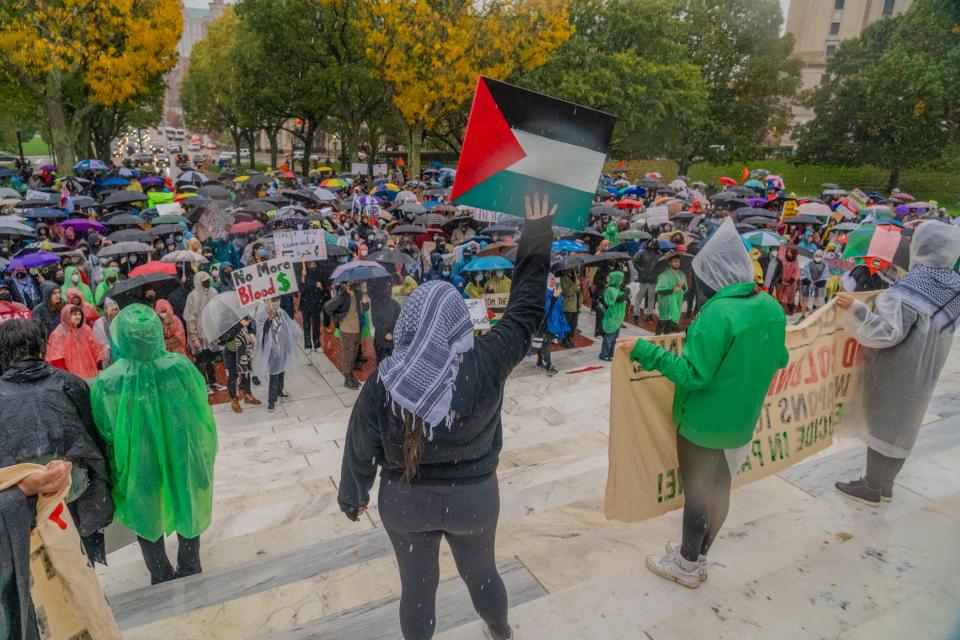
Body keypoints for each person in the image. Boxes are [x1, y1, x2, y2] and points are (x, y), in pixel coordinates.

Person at [338, 192, 555, 640]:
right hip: (473, 498)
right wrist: (537, 231)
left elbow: (361, 445)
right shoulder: (488, 359)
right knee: (483, 577)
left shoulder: (385, 381)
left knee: (417, 591)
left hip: (405, 502)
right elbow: (527, 310)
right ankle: (501, 632)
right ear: (460, 324)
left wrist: (352, 496)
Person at [630, 219, 788, 588]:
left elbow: (693, 375)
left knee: (698, 494)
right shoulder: (770, 306)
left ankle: (684, 565)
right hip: (742, 420)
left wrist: (646, 353)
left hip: (703, 424)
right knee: (721, 489)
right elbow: (779, 358)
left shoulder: (716, 315)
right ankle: (699, 554)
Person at [90, 304, 218, 585]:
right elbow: (200, 410)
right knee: (187, 499)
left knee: (144, 508)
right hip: (181, 448)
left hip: (137, 455)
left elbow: (103, 427)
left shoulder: (108, 381)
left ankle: (160, 572)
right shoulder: (179, 367)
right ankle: (189, 563)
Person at [834, 221, 960, 505]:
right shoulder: (954, 285)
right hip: (926, 372)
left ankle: (871, 486)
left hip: (896, 369)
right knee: (905, 425)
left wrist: (857, 311)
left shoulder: (913, 284)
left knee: (883, 424)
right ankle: (886, 484)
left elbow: (888, 333)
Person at [0, 318, 114, 565]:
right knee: (80, 563)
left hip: (22, 500)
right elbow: (91, 437)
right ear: (41, 345)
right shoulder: (69, 383)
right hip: (72, 488)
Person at [254, 303, 300, 413]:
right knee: (274, 374)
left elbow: (289, 326)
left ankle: (280, 390)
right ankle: (271, 401)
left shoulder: (281, 312)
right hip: (272, 350)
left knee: (282, 371)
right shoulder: (262, 315)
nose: (274, 303)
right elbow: (262, 332)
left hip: (283, 347)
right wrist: (269, 319)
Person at [184, 271, 224, 393]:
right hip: (199, 333)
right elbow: (190, 317)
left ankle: (213, 381)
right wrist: (194, 336)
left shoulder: (213, 292)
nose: (207, 282)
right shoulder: (193, 296)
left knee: (211, 358)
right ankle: (204, 383)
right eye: (204, 281)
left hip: (211, 332)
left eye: (208, 279)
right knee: (201, 360)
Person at [325, 281, 369, 390]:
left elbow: (365, 309)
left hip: (357, 328)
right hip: (346, 329)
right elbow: (327, 306)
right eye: (352, 281)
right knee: (347, 354)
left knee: (354, 353)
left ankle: (350, 375)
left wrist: (365, 302)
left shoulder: (358, 294)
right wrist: (337, 317)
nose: (355, 283)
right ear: (347, 284)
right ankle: (347, 377)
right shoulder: (342, 296)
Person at [46, 304, 104, 379]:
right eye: (74, 314)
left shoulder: (86, 330)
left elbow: (96, 350)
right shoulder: (59, 334)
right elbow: (57, 359)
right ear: (66, 315)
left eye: (79, 314)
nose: (78, 317)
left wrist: (100, 368)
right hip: (72, 376)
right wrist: (66, 377)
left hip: (91, 371)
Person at [221, 314, 260, 413]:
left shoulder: (242, 312)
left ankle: (248, 394)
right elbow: (225, 336)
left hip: (245, 348)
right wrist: (240, 324)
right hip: (232, 350)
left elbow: (251, 324)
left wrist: (252, 332)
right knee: (233, 376)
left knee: (246, 372)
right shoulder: (224, 317)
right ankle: (234, 399)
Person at [537, 274, 569, 375]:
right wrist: (554, 298)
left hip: (554, 322)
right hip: (546, 323)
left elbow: (559, 306)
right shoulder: (544, 292)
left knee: (544, 343)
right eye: (552, 279)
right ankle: (548, 366)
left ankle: (540, 361)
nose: (554, 280)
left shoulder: (555, 290)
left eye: (554, 278)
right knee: (545, 344)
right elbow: (546, 308)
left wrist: (559, 297)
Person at [599, 270, 628, 361]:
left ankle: (611, 353)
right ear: (616, 279)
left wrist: (624, 291)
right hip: (611, 317)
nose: (622, 281)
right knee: (609, 337)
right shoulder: (609, 289)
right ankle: (604, 354)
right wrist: (626, 293)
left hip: (617, 318)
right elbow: (618, 299)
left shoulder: (617, 288)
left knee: (615, 338)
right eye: (621, 279)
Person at [655, 254, 686, 334]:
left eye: (678, 262)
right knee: (661, 323)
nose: (677, 263)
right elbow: (659, 291)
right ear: (670, 263)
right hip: (665, 304)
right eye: (675, 261)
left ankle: (666, 343)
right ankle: (656, 341)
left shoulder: (681, 275)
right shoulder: (664, 276)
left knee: (669, 326)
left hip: (676, 304)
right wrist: (673, 290)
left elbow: (685, 289)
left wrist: (683, 285)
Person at [632, 240, 661, 323]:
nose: (652, 245)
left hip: (653, 280)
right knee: (639, 297)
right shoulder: (642, 253)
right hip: (643, 279)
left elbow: (661, 266)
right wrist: (640, 269)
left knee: (651, 299)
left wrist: (657, 274)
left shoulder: (659, 255)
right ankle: (636, 315)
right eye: (651, 244)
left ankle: (649, 314)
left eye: (654, 244)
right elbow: (634, 261)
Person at [92, 298, 120, 367]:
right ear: (106, 311)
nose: (114, 312)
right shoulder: (99, 324)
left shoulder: (121, 320)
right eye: (112, 310)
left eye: (116, 310)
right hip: (108, 356)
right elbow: (101, 344)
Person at [800, 250, 829, 315]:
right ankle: (803, 315)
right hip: (807, 285)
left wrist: (821, 282)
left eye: (820, 256)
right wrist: (806, 280)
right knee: (804, 301)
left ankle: (817, 317)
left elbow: (826, 276)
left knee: (819, 302)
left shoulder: (825, 265)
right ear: (814, 256)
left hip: (819, 286)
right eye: (816, 256)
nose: (818, 257)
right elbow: (803, 273)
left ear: (822, 257)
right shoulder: (808, 263)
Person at [560, 269, 582, 347]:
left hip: (575, 305)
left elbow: (578, 291)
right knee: (567, 324)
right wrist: (575, 285)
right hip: (568, 306)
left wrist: (579, 303)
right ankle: (564, 340)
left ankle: (568, 338)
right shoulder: (563, 278)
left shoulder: (574, 277)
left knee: (573, 324)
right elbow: (566, 292)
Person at [776, 247, 800, 314]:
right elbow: (779, 270)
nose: (788, 253)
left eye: (790, 252)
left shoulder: (795, 263)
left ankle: (791, 309)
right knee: (779, 296)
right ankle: (778, 309)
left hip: (790, 284)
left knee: (790, 298)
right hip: (781, 283)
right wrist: (780, 280)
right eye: (787, 251)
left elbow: (796, 273)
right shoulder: (783, 260)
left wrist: (790, 282)